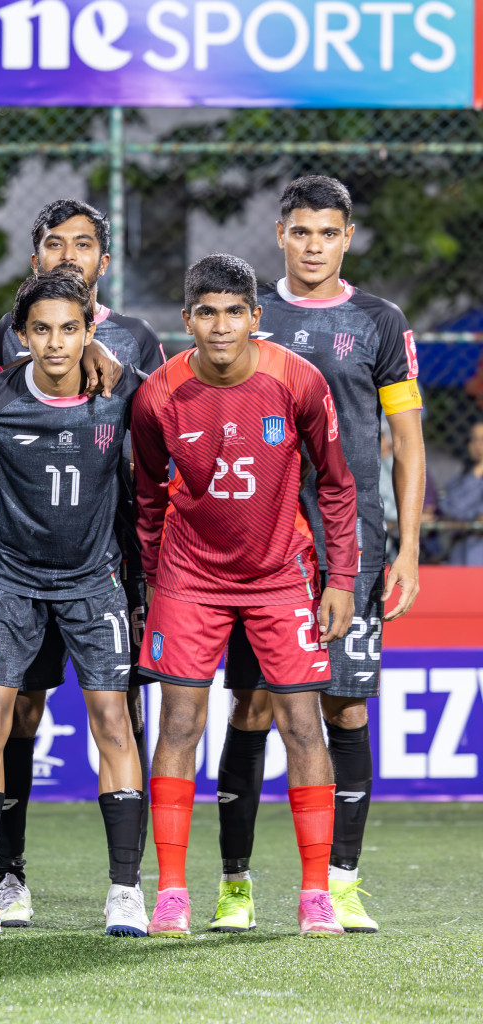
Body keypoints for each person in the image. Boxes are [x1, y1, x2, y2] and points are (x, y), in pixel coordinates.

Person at [214, 176, 426, 935]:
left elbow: (406, 440)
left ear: (347, 237)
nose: (313, 246)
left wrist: (405, 547)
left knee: (346, 703)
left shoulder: (378, 320)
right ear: (280, 234)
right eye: (300, 231)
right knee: (255, 705)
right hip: (260, 546)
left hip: (353, 549)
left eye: (327, 233)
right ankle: (234, 889)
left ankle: (340, 886)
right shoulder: (248, 319)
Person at [131, 253, 357, 938]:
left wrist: (341, 579)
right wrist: (152, 583)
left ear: (255, 318)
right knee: (179, 726)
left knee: (301, 726)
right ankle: (172, 893)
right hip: (189, 578)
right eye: (208, 312)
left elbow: (338, 484)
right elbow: (145, 499)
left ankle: (315, 895)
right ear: (188, 320)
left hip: (279, 574)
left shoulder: (298, 380)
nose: (221, 325)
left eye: (234, 312)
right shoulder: (158, 396)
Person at [0, 268, 149, 937]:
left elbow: (194, 407)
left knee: (113, 721)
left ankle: (125, 892)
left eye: (70, 328)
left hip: (95, 581)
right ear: (21, 335)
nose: (57, 343)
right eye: (42, 329)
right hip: (9, 579)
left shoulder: (122, 394)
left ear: (92, 329)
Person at [438, 422, 483, 565]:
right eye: (474, 439)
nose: (478, 444)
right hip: (461, 559)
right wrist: (478, 471)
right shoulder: (459, 477)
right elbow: (454, 508)